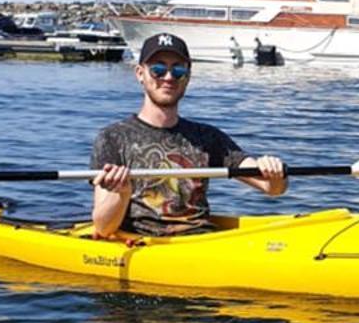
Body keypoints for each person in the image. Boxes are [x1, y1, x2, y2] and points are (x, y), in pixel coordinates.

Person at [92, 32, 287, 237]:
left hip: (200, 243)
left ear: (188, 76)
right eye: (158, 69)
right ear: (140, 73)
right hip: (145, 246)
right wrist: (122, 194)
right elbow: (104, 228)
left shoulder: (207, 137)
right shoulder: (113, 138)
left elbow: (273, 188)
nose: (168, 77)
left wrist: (272, 171)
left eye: (178, 70)